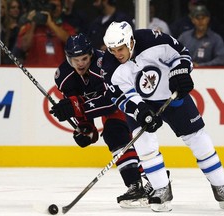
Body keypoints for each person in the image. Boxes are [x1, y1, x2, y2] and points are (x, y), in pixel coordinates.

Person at [101, 21, 224, 212]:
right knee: (144, 145)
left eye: (120, 48)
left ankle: (221, 187)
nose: (117, 54)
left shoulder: (152, 39)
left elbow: (181, 53)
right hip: (141, 103)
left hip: (170, 94)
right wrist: (140, 111)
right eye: (112, 50)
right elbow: (119, 96)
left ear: (130, 42)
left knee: (199, 138)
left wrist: (181, 72)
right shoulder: (109, 66)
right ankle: (161, 190)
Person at [48, 33, 151, 208]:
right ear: (68, 58)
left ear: (91, 54)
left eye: (84, 58)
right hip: (108, 105)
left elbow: (111, 102)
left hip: (126, 100)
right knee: (115, 136)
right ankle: (149, 177)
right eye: (75, 60)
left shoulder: (105, 65)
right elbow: (78, 106)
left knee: (114, 132)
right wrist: (86, 128)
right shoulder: (63, 76)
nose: (80, 63)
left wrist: (77, 107)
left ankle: (138, 184)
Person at [15, 0, 76, 66]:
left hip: (58, 70)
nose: (54, 8)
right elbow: (24, 46)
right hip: (33, 70)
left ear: (62, 8)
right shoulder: (29, 27)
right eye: (52, 5)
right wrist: (33, 23)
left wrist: (50, 24)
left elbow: (72, 43)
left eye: (57, 6)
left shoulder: (66, 27)